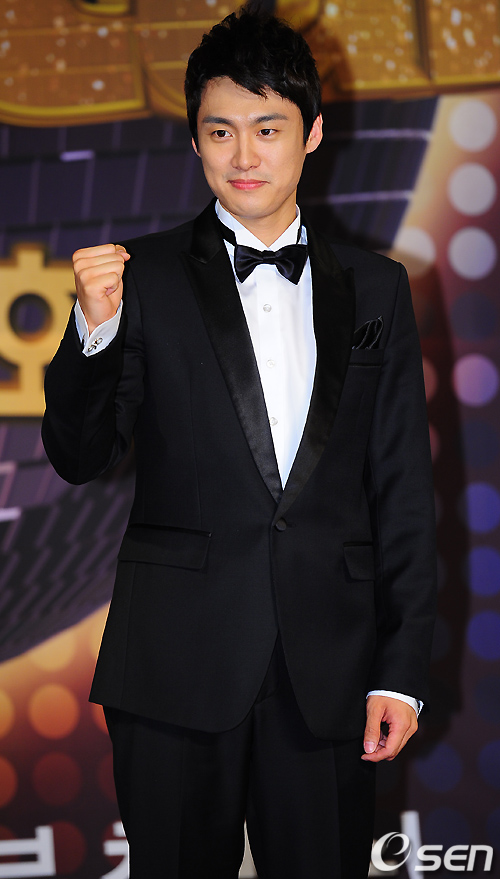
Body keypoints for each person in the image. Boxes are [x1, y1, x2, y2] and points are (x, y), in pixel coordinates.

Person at [42, 6, 436, 878]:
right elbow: (79, 455)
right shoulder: (137, 279)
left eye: (268, 128)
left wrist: (400, 669)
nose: (244, 155)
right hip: (174, 668)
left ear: (313, 133)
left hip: (328, 672)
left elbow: (403, 490)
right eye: (221, 131)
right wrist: (93, 332)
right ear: (195, 141)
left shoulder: (377, 288)